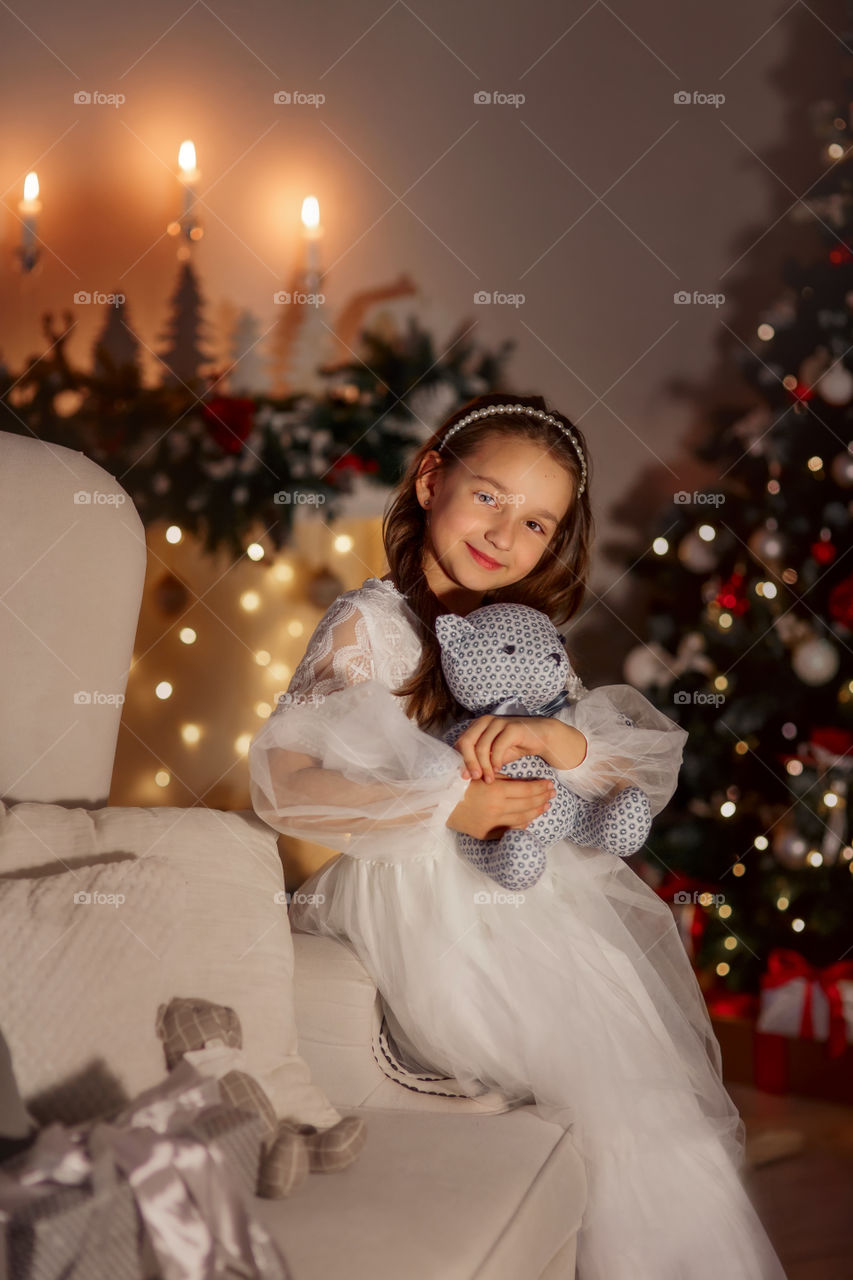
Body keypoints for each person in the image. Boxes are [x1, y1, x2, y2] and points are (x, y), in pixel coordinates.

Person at [248, 393, 788, 1279]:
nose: (505, 534)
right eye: (489, 496)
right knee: (575, 1080)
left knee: (649, 1110)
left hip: (545, 901)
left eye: (536, 521)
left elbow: (621, 773)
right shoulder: (370, 628)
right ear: (430, 478)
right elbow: (283, 782)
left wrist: (557, 741)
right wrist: (441, 807)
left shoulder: (532, 640)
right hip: (423, 896)